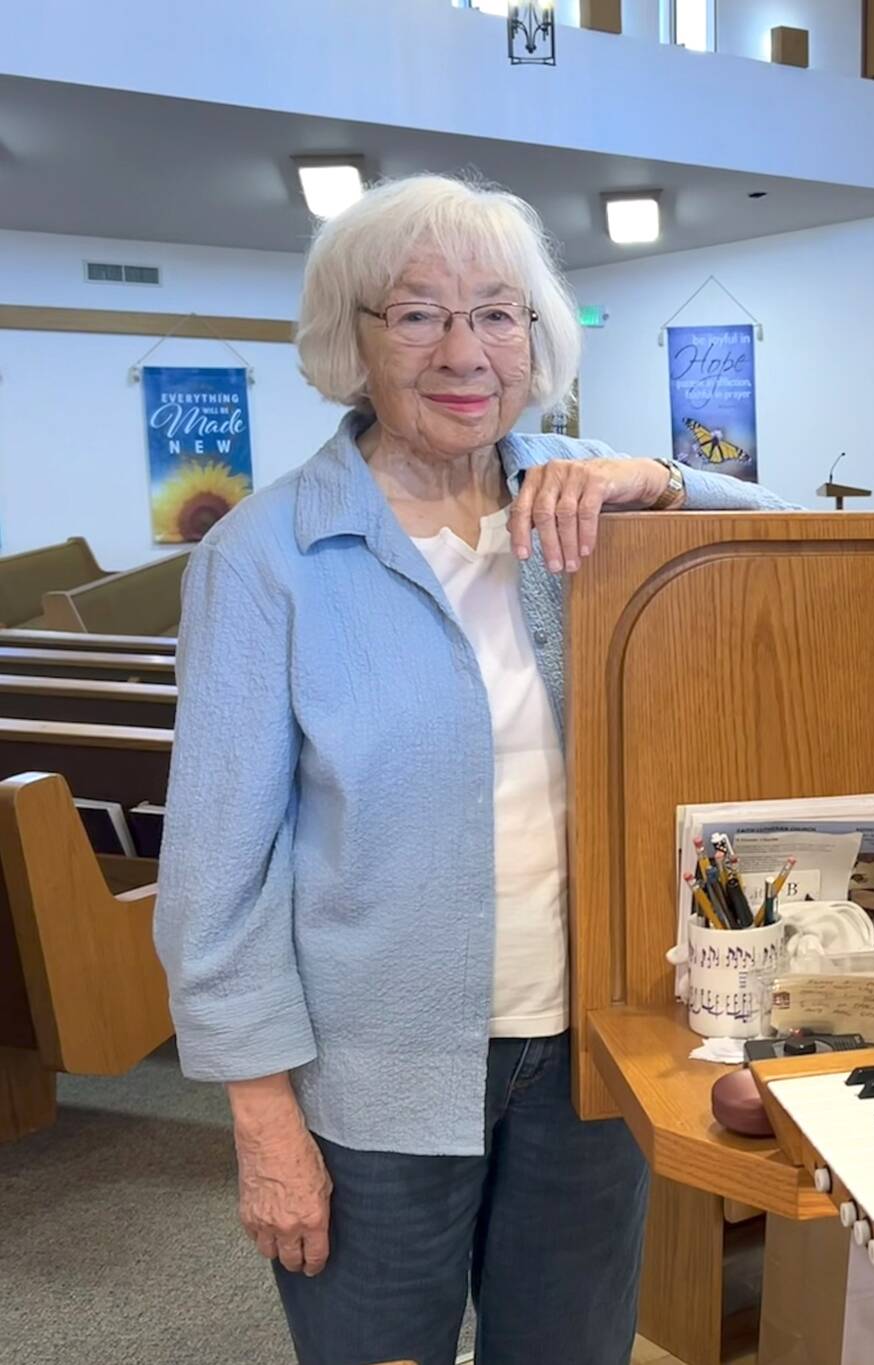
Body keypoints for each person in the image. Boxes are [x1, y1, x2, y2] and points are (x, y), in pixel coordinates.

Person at [152, 174, 794, 1365]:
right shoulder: (265, 558)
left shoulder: (592, 504)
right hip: (370, 1072)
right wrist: (263, 1124)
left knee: (569, 1348)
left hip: (592, 1047)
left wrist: (651, 477)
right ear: (353, 342)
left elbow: (790, 539)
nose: (465, 351)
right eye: (416, 315)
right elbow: (213, 879)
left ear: (537, 338)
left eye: (498, 313)